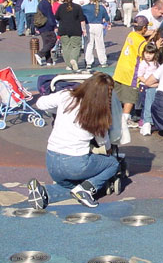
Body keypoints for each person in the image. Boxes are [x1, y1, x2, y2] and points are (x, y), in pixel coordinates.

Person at [27, 72, 119, 209]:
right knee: (112, 164)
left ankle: (44, 192)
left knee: (73, 187)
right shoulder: (98, 113)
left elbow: (40, 103)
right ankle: (88, 188)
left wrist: (57, 110)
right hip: (75, 162)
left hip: (51, 160)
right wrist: (108, 150)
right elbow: (103, 142)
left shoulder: (67, 95)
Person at [113, 15, 150, 138]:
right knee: (130, 98)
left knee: (117, 94)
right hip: (131, 72)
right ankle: (125, 119)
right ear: (144, 28)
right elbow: (145, 54)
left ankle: (115, 116)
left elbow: (140, 37)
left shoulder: (131, 35)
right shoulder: (142, 42)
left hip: (120, 70)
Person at [55, 0, 86, 71]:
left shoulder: (61, 7)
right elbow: (82, 19)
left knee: (66, 47)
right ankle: (73, 59)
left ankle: (68, 64)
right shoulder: (77, 7)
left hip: (63, 29)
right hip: (75, 29)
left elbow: (57, 17)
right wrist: (84, 30)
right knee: (76, 46)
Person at [136, 42, 160, 135]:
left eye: (150, 53)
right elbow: (139, 75)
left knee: (151, 103)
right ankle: (143, 120)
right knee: (145, 103)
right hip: (144, 86)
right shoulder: (143, 63)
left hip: (154, 86)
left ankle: (149, 120)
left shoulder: (156, 63)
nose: (148, 56)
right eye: (146, 53)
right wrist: (146, 82)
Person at [82, 0, 111, 69]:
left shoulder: (85, 8)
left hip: (89, 25)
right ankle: (103, 61)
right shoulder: (101, 7)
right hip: (99, 25)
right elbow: (107, 18)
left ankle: (88, 62)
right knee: (100, 44)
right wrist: (108, 23)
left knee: (89, 44)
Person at [34, 0, 57, 66]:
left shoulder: (41, 3)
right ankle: (40, 54)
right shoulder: (46, 4)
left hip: (42, 26)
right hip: (47, 26)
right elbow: (50, 15)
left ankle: (49, 60)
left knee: (46, 43)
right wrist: (54, 25)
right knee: (53, 40)